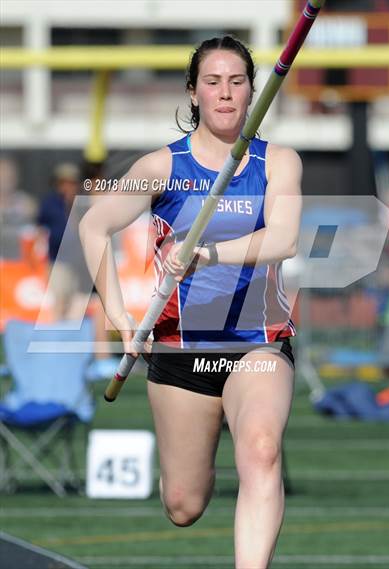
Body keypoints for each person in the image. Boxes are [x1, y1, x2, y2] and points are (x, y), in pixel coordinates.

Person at [80, 36, 302, 568]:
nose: (226, 93)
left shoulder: (278, 162)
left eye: (237, 81)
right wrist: (119, 318)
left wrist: (208, 253)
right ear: (193, 92)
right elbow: (92, 227)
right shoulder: (163, 166)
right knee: (184, 504)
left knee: (262, 449)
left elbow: (284, 238)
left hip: (257, 346)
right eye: (212, 82)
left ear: (253, 90)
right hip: (182, 350)